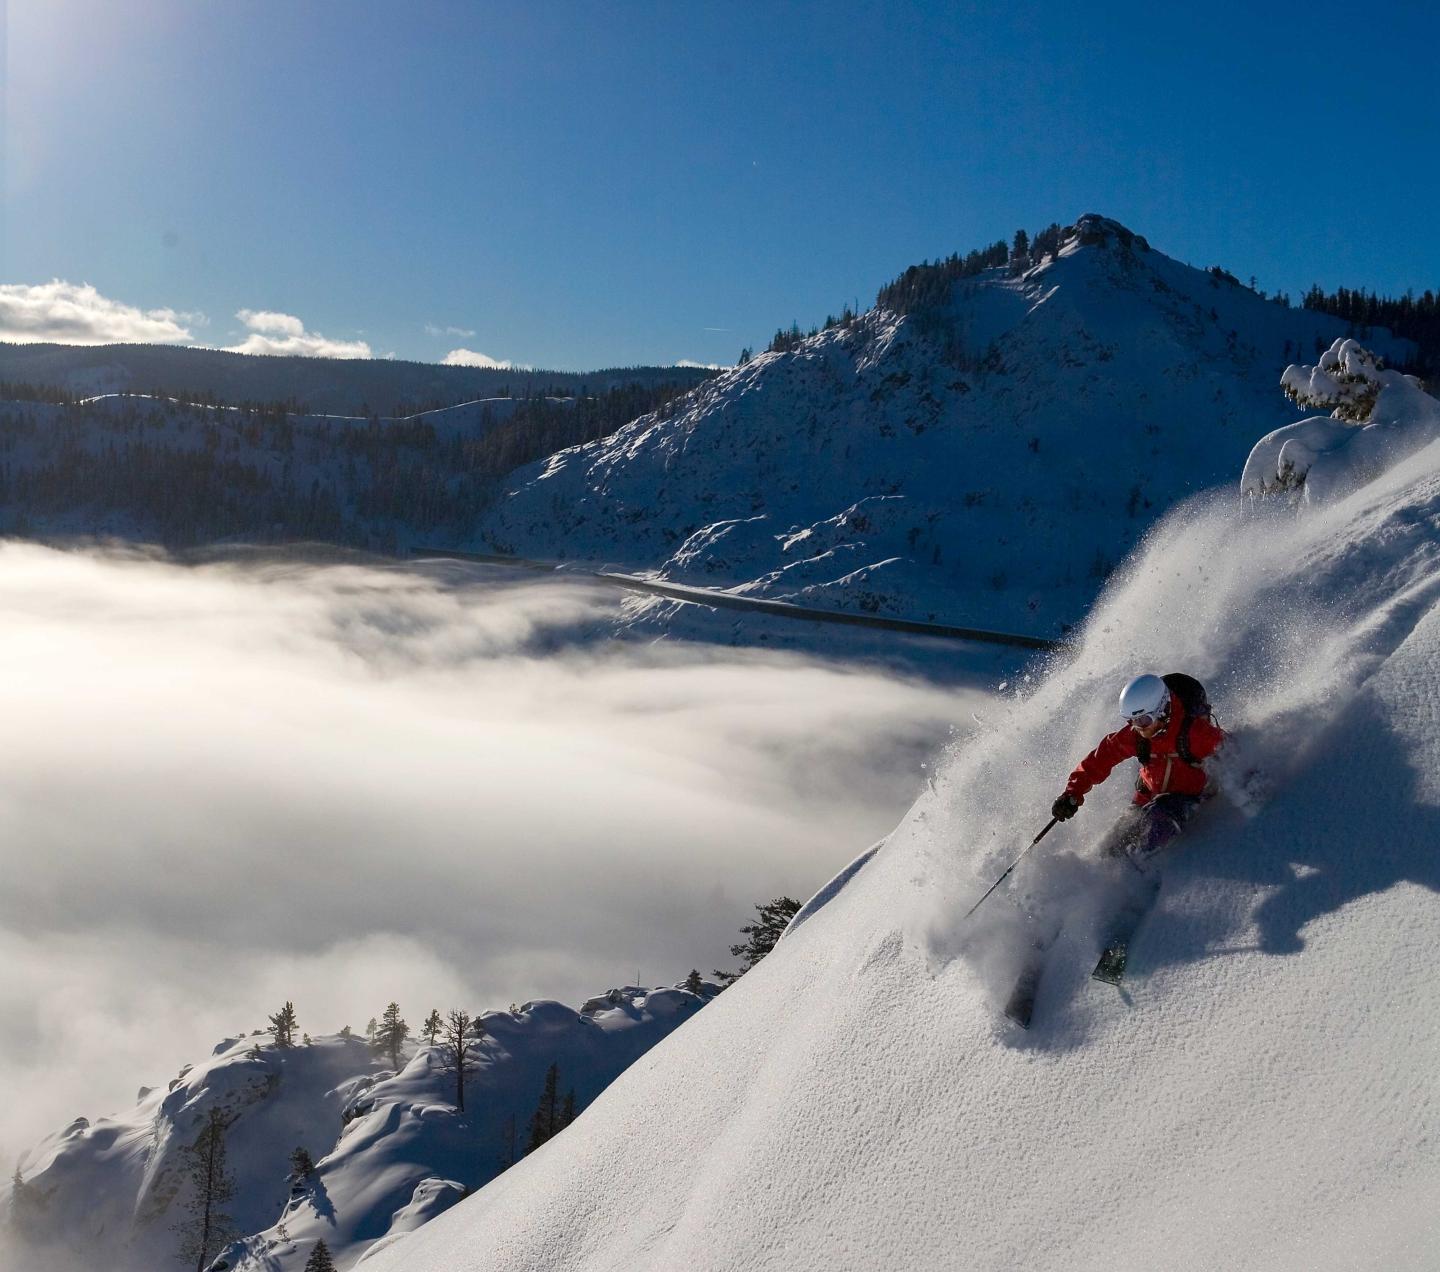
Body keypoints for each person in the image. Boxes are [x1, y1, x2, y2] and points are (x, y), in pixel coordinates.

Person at [1050, 672, 1226, 866]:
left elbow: (1235, 752)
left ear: (1163, 710)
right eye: (1132, 721)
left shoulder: (1196, 734)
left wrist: (1251, 781)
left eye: (1144, 721)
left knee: (1157, 820)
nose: (1139, 728)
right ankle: (1101, 876)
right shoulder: (1137, 735)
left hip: (1188, 799)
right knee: (1114, 843)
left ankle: (1138, 871)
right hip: (1146, 799)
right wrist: (1072, 793)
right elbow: (1101, 758)